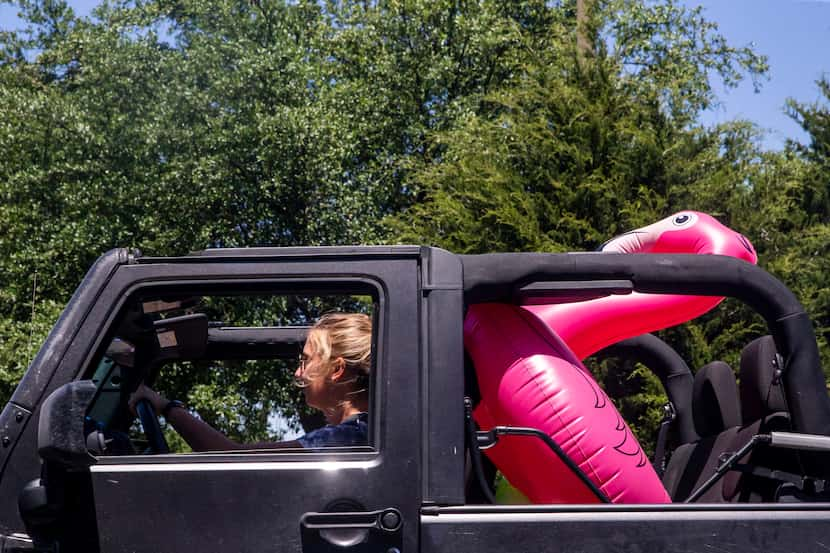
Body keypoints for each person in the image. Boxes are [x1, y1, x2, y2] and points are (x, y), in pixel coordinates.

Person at [128, 312, 371, 451]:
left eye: (305, 361)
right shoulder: (360, 432)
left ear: (337, 369)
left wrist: (166, 408)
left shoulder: (348, 438)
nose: (298, 373)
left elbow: (229, 457)